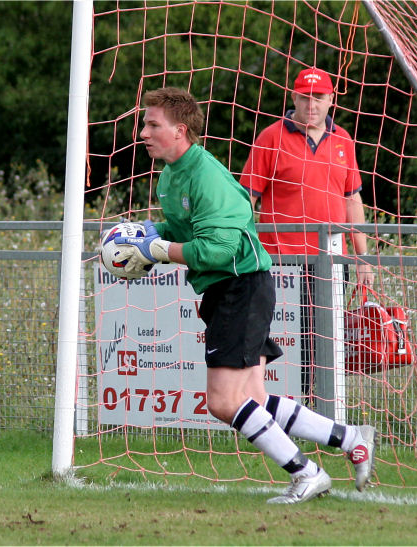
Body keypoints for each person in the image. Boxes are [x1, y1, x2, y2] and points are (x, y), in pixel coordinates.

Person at [112, 86, 377, 503]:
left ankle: (306, 472)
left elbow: (217, 250)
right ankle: (349, 438)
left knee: (222, 401)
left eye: (151, 124)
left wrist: (157, 251)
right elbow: (186, 233)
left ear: (180, 130)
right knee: (252, 397)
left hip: (240, 287)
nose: (142, 132)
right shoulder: (170, 175)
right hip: (229, 290)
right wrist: (145, 237)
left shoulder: (206, 177)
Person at [239, 67, 374, 285]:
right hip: (281, 262)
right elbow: (246, 199)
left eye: (318, 97)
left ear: (330, 99)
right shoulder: (270, 138)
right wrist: (244, 248)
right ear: (294, 97)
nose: (311, 104)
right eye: (305, 97)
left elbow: (352, 200)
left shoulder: (343, 140)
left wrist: (363, 257)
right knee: (285, 320)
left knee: (331, 321)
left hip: (332, 259)